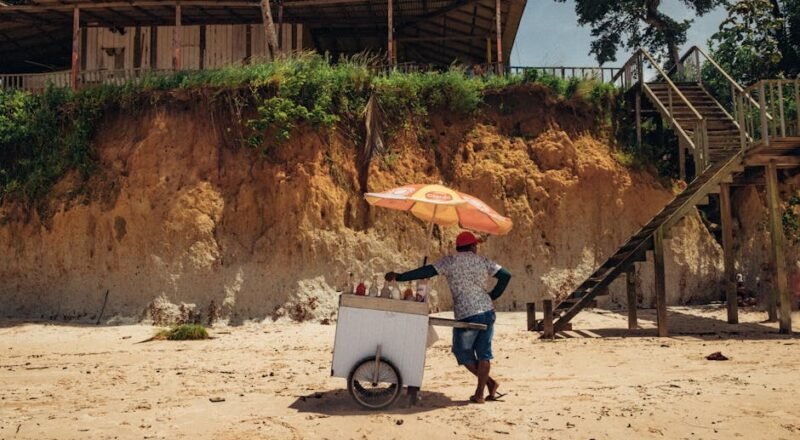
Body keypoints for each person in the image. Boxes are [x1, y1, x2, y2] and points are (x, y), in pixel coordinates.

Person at [385, 231, 512, 404]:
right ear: (473, 246)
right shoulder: (483, 261)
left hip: (467, 314)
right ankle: (482, 392)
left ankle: (488, 385)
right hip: (487, 312)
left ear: (458, 247)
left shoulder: (450, 261)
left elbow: (426, 271)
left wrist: (400, 277)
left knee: (462, 352)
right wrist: (492, 296)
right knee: (484, 354)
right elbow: (506, 275)